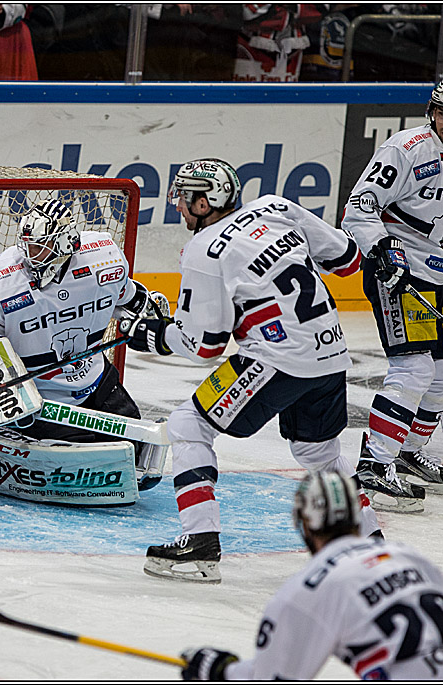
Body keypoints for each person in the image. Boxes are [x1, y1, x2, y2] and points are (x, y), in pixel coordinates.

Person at [127, 158, 382, 585]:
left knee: (188, 424)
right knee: (317, 453)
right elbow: (348, 259)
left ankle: (200, 545)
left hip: (279, 357)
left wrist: (151, 334)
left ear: (206, 202)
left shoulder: (204, 250)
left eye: (186, 199)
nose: (180, 207)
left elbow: (204, 345)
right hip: (332, 351)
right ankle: (371, 544)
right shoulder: (276, 206)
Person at [340, 75, 443, 510]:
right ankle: (373, 464)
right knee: (413, 370)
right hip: (397, 268)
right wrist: (383, 249)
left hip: (438, 272)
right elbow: (359, 207)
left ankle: (407, 452)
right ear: (433, 111)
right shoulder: (405, 149)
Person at [180, 472, 443, 680]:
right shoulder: (406, 555)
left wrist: (218, 669)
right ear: (358, 520)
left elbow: (274, 678)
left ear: (305, 525)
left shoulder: (309, 589)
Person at [0, 198, 154, 452]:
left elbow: (129, 299)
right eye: (28, 246)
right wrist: (7, 391)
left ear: (66, 242)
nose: (30, 255)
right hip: (39, 400)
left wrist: (146, 323)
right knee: (65, 459)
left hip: (97, 384)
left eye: (40, 247)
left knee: (138, 451)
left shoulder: (104, 258)